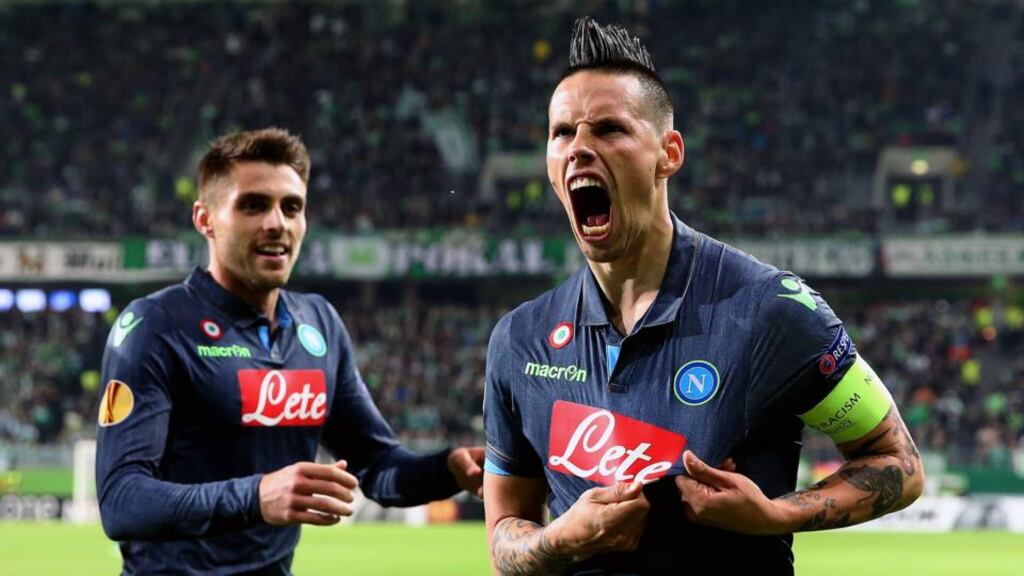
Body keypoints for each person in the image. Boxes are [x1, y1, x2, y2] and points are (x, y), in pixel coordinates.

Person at [483, 17, 923, 575]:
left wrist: (774, 514)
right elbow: (503, 542)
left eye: (609, 129)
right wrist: (561, 539)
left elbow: (898, 463)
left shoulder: (773, 310)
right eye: (562, 132)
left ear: (668, 153)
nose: (579, 149)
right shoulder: (519, 339)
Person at [95, 128, 484, 575]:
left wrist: (447, 470)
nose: (277, 222)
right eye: (253, 205)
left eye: (291, 207)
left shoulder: (318, 324)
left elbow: (377, 467)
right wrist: (257, 497)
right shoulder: (156, 326)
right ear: (205, 219)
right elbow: (122, 501)